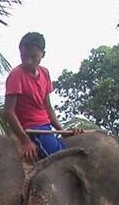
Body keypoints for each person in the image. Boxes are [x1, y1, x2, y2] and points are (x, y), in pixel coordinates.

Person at [4, 32, 72, 162]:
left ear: (43, 54)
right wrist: (25, 141)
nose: (28, 61)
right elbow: (8, 112)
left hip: (46, 127)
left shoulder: (45, 73)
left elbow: (48, 108)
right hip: (32, 129)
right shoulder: (16, 76)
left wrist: (62, 131)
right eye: (24, 56)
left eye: (33, 56)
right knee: (60, 160)